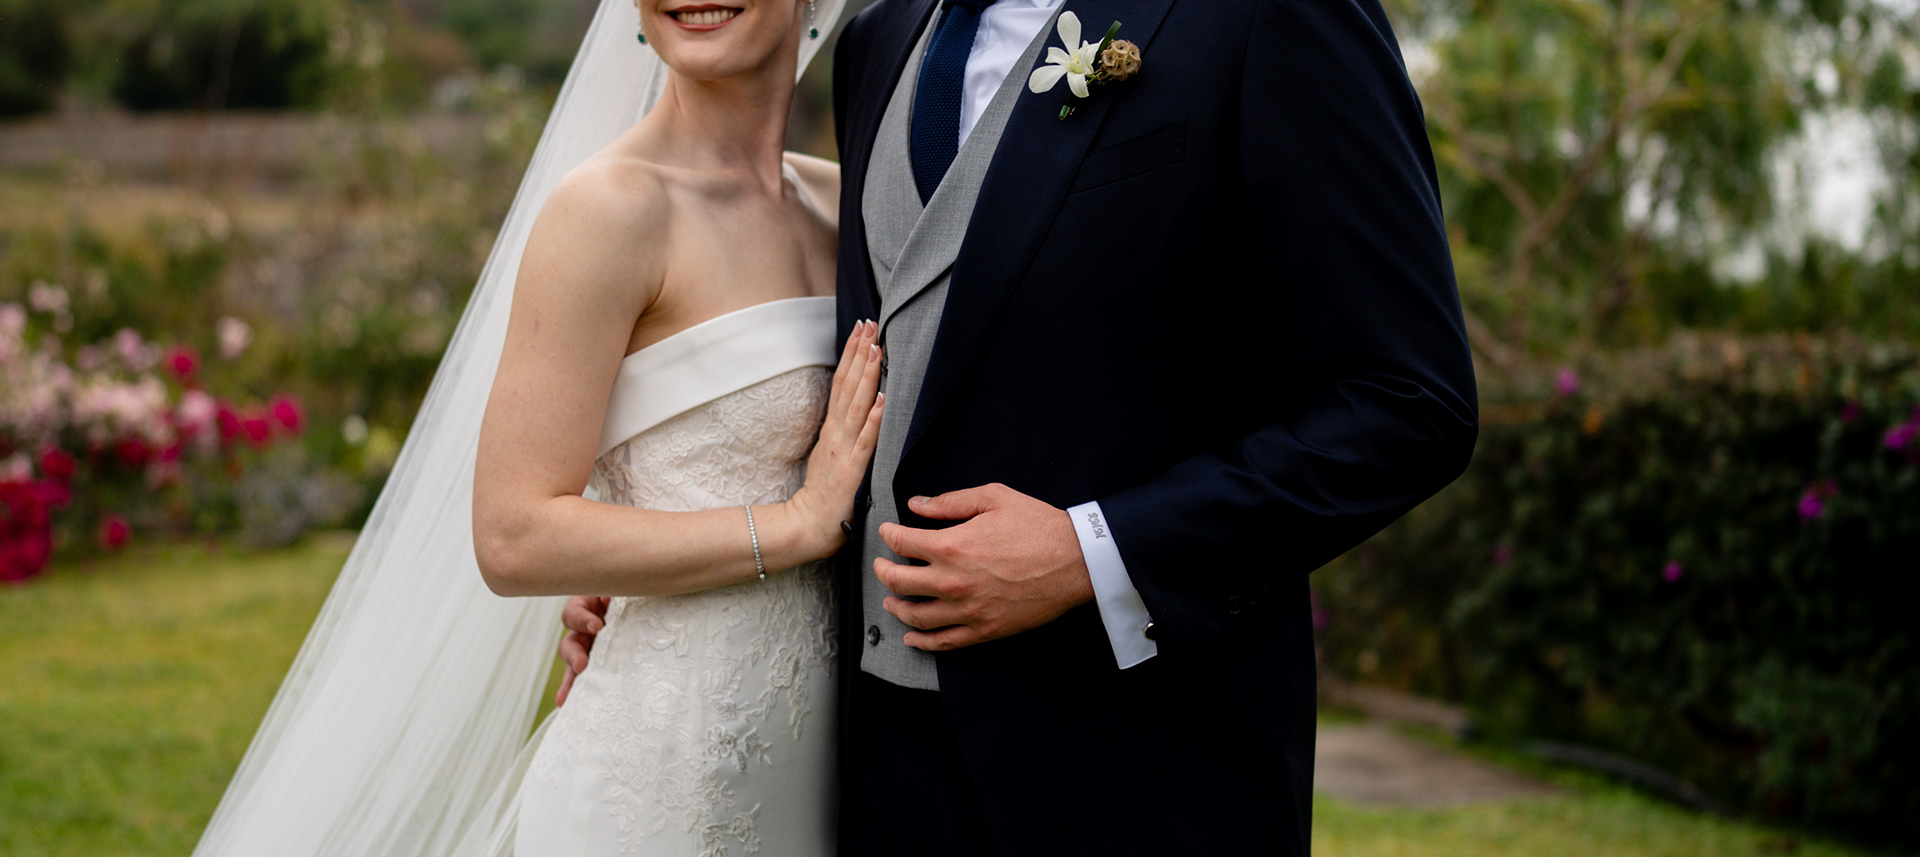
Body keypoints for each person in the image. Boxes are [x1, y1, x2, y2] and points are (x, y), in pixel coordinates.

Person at [560, 0, 1479, 854]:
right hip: (869, 770)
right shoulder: (879, 43)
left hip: (1140, 765)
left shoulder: (1271, 16)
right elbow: (881, 372)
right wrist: (670, 554)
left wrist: (1094, 552)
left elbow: (1408, 401)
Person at [189, 2, 856, 856]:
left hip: (827, 766)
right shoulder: (610, 210)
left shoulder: (843, 204)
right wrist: (792, 526)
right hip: (667, 775)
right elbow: (514, 535)